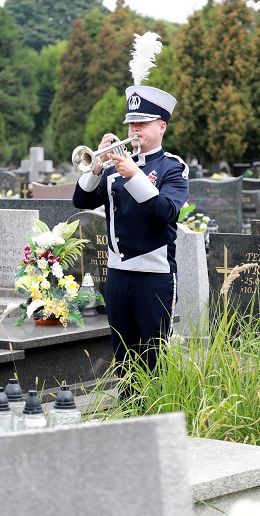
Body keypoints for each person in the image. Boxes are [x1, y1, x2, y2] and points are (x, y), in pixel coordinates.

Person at [72, 84, 189, 389]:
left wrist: (134, 175)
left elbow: (166, 210)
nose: (135, 129)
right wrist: (97, 165)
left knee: (154, 358)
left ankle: (157, 420)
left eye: (143, 123)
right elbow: (81, 202)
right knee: (123, 359)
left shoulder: (173, 168)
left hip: (154, 276)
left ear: (161, 127)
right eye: (132, 124)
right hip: (118, 275)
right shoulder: (112, 168)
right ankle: (129, 417)